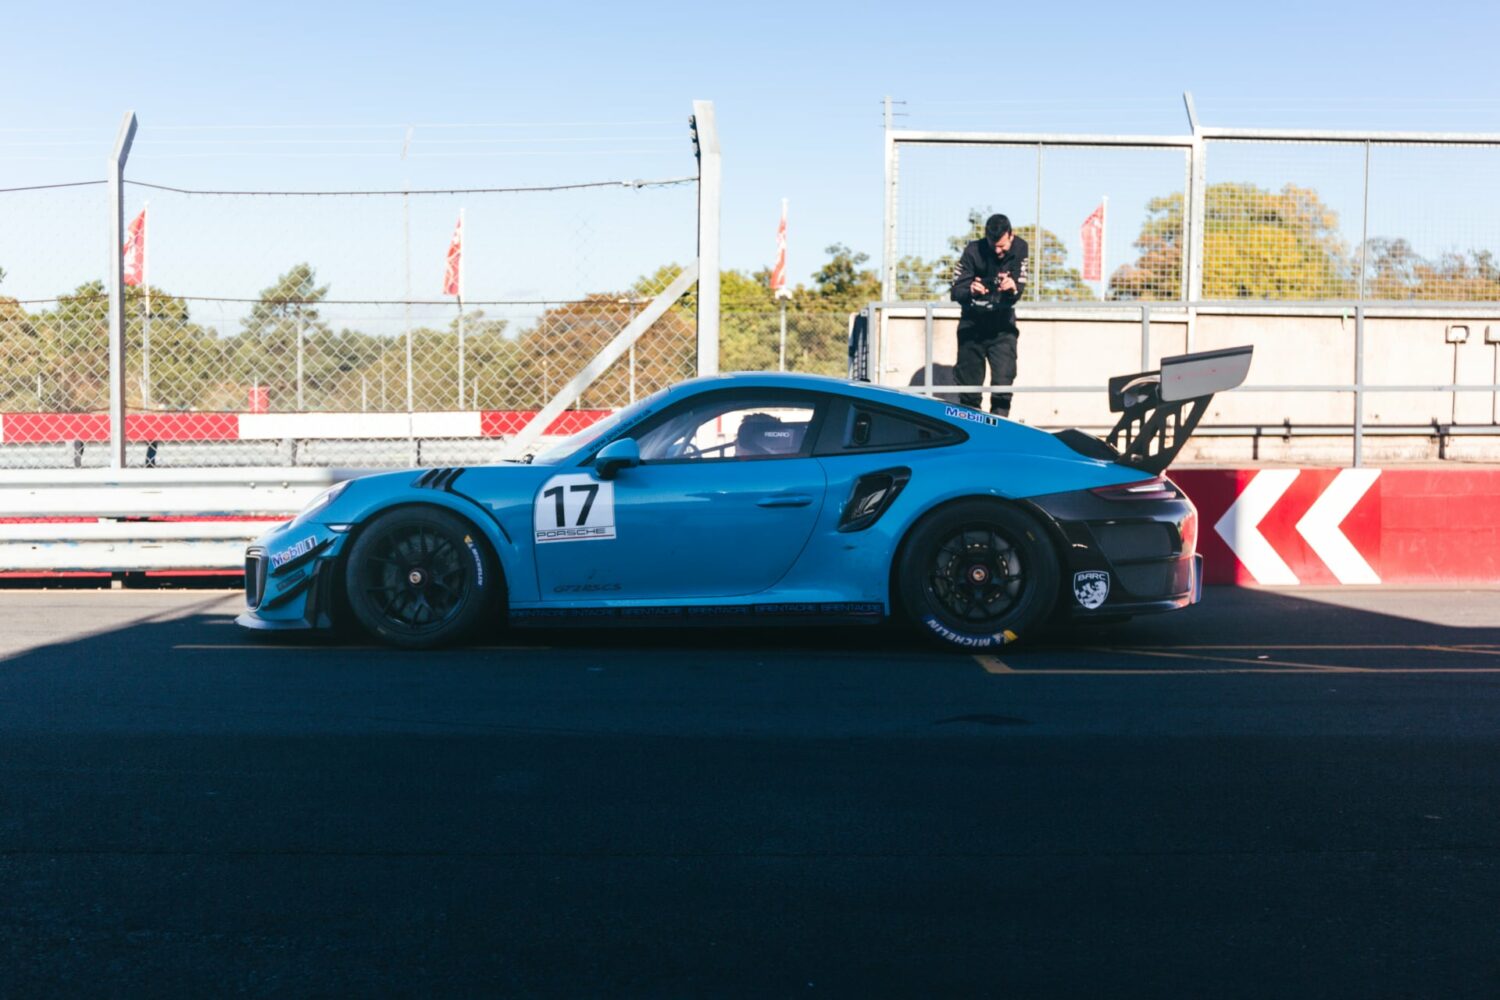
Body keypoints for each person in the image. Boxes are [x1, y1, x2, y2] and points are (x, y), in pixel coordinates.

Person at [949, 213, 1029, 417]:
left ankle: (1000, 431)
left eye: (1002, 246)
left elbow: (1018, 290)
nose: (997, 251)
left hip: (1002, 327)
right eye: (993, 245)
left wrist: (1013, 288)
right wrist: (971, 290)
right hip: (972, 326)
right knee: (969, 390)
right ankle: (972, 431)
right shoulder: (973, 250)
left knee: (1003, 384)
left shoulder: (1020, 248)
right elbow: (956, 291)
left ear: (1011, 236)